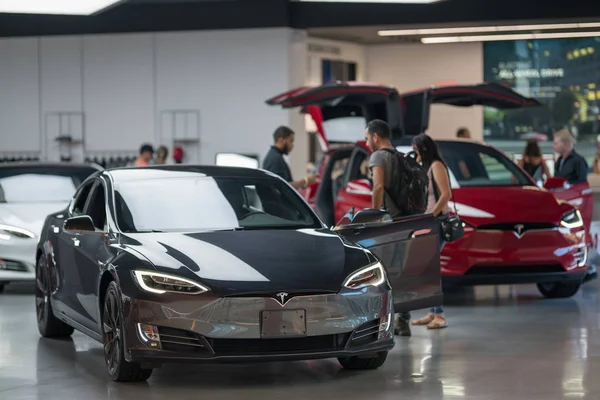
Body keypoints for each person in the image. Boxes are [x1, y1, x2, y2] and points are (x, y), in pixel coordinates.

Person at [365, 119, 411, 336]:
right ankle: (404, 319)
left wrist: (373, 215)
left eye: (367, 138)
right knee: (402, 271)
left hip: (389, 221)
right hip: (406, 219)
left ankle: (386, 320)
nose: (367, 143)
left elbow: (378, 186)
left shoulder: (378, 156)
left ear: (375, 137)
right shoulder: (401, 156)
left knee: (385, 273)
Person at [410, 133, 451, 330]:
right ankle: (433, 311)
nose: (415, 153)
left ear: (423, 149)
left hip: (437, 222)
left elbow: (446, 195)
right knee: (428, 268)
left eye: (416, 150)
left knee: (431, 268)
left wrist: (432, 215)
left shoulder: (436, 166)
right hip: (428, 222)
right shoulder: (425, 168)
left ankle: (440, 315)